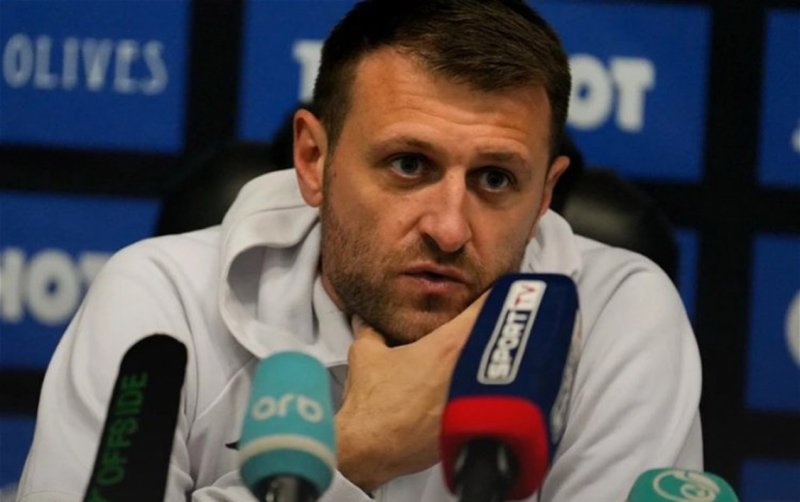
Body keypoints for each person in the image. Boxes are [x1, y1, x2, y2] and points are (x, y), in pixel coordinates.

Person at [18, 0, 702, 500]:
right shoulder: (163, 303)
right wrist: (356, 451)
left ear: (546, 194)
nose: (449, 229)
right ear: (313, 159)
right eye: (409, 165)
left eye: (495, 180)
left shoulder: (616, 317)